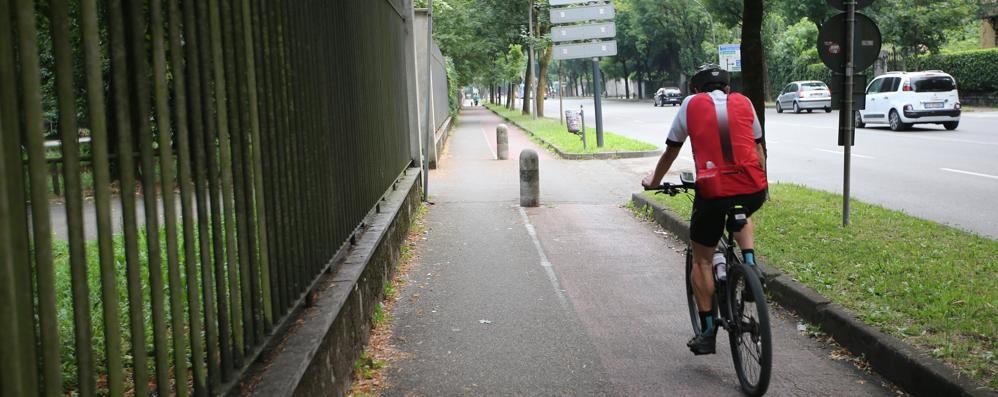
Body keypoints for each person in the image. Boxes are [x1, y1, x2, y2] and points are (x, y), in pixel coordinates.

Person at [641, 64, 768, 355]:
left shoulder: (690, 104)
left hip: (712, 193)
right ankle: (750, 263)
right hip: (752, 188)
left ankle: (708, 330)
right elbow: (759, 150)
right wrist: (757, 180)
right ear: (727, 88)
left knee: (701, 260)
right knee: (742, 210)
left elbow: (672, 150)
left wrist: (654, 181)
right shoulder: (745, 102)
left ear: (696, 90)